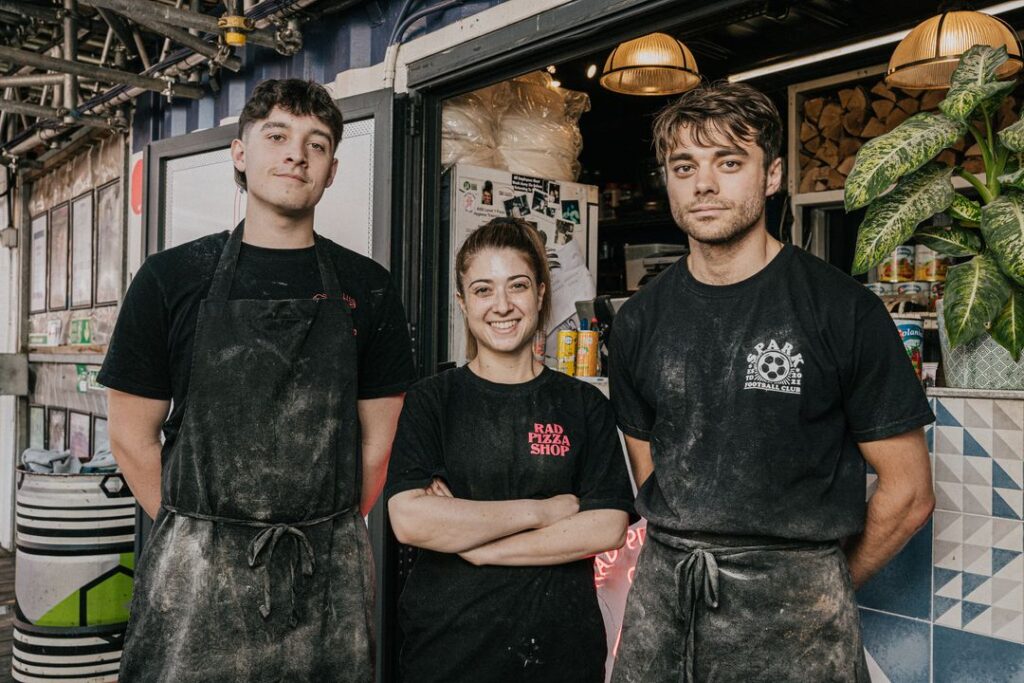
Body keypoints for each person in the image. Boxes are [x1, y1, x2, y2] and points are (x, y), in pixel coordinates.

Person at [607, 82, 936, 683]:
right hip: (662, 604)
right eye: (685, 166)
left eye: (729, 162)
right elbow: (656, 468)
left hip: (799, 624)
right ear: (669, 180)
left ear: (772, 174)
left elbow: (909, 494)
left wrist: (816, 581)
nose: (705, 184)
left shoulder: (843, 309)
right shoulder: (637, 321)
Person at [99, 79, 415, 682]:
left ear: (332, 170)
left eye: (315, 144)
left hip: (324, 577)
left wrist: (327, 532)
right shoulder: (171, 279)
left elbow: (378, 445)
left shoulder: (368, 288)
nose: (296, 153)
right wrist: (198, 532)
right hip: (193, 574)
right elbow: (129, 437)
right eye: (277, 136)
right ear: (241, 154)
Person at [385, 217, 635, 683]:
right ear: (463, 303)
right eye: (483, 290)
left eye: (517, 286)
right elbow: (411, 520)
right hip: (449, 652)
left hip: (561, 653)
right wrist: (546, 512)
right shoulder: (433, 401)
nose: (501, 305)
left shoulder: (583, 404)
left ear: (541, 293)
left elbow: (606, 526)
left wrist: (481, 546)